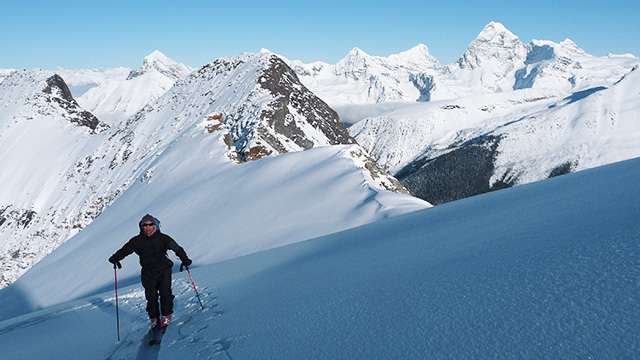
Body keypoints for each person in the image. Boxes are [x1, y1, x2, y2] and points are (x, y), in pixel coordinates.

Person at [109, 214, 192, 328]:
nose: (148, 227)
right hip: (148, 273)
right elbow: (125, 250)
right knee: (151, 296)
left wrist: (185, 259)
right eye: (145, 225)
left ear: (155, 226)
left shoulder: (163, 238)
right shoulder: (136, 241)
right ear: (142, 226)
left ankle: (166, 315)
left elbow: (177, 248)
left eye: (150, 224)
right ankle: (154, 317)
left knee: (165, 293)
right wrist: (115, 258)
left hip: (164, 270)